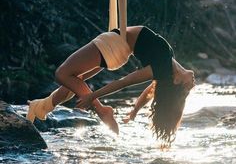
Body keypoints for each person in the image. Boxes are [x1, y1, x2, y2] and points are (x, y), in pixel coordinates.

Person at [27, 26, 195, 147]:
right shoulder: (167, 64)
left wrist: (92, 98)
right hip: (116, 49)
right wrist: (134, 111)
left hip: (113, 46)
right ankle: (41, 107)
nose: (193, 83)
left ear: (177, 82)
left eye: (188, 87)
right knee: (75, 80)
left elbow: (123, 82)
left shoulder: (162, 67)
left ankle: (102, 110)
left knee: (62, 74)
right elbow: (150, 91)